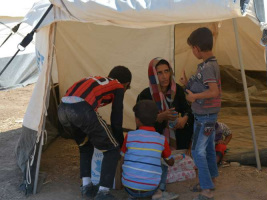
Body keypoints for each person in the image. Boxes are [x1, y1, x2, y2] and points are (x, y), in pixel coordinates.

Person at [57, 66, 132, 200]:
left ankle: (86, 186)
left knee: (85, 146)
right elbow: (116, 119)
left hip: (62, 108)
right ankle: (103, 193)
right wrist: (119, 143)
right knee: (112, 149)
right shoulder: (119, 85)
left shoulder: (98, 80)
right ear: (126, 84)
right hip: (81, 108)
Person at [180, 27, 222, 200]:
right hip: (205, 116)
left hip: (205, 117)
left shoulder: (208, 67)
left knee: (198, 152)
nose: (192, 51)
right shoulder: (207, 65)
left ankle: (207, 190)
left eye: (192, 48)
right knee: (209, 150)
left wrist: (194, 96)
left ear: (197, 48)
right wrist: (185, 85)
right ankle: (210, 180)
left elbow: (214, 91)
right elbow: (202, 88)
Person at [120, 100, 179, 200]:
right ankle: (160, 192)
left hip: (128, 187)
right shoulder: (161, 139)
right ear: (156, 118)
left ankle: (133, 195)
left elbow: (122, 158)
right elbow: (171, 162)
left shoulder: (129, 136)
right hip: (150, 189)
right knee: (163, 163)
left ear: (136, 120)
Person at [137, 57, 193, 150]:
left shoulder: (177, 90)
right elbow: (140, 124)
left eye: (166, 71)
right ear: (153, 75)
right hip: (153, 139)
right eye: (159, 73)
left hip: (176, 136)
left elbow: (188, 109)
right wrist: (160, 117)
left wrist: (184, 118)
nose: (164, 76)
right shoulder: (145, 95)